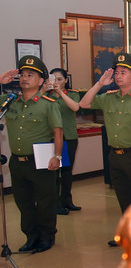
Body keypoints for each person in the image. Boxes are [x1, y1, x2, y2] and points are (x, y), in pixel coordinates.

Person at [79, 53, 131, 245]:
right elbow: (84, 103)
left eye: (124, 72)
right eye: (116, 72)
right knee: (123, 197)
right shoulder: (108, 97)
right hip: (115, 155)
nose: (118, 76)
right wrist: (99, 84)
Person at [0, 56, 63, 253]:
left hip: (41, 160)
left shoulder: (48, 103)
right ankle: (31, 236)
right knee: (23, 202)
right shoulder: (11, 102)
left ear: (41, 81)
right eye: (23, 74)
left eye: (31, 75)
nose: (25, 78)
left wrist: (57, 156)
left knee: (45, 201)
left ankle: (46, 236)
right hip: (18, 162)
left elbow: (58, 132)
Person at [44, 68, 82, 214]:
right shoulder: (45, 95)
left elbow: (75, 107)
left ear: (66, 80)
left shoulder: (73, 94)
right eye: (54, 79)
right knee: (54, 173)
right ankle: (55, 203)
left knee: (67, 172)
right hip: (51, 138)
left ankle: (67, 200)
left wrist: (60, 93)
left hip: (69, 136)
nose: (57, 82)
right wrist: (45, 91)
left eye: (60, 79)